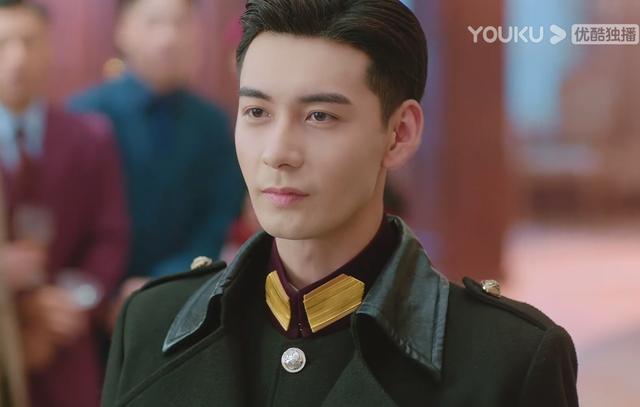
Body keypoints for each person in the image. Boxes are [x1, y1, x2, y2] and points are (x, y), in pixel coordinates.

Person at [102, 1, 579, 406]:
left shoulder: (508, 360)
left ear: (399, 133)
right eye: (257, 112)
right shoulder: (151, 323)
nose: (277, 153)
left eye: (319, 116)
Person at [0, 1, 129, 406]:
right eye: (3, 43)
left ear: (48, 48)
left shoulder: (90, 137)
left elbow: (110, 236)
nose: (17, 58)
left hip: (64, 337)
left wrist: (72, 303)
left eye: (29, 42)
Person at [69, 0, 245, 283]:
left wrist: (162, 283)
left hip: (181, 288)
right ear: (122, 31)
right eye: (154, 22)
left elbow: (218, 217)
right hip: (93, 293)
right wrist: (100, 289)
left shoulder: (211, 123)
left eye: (180, 23)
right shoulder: (84, 116)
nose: (168, 38)